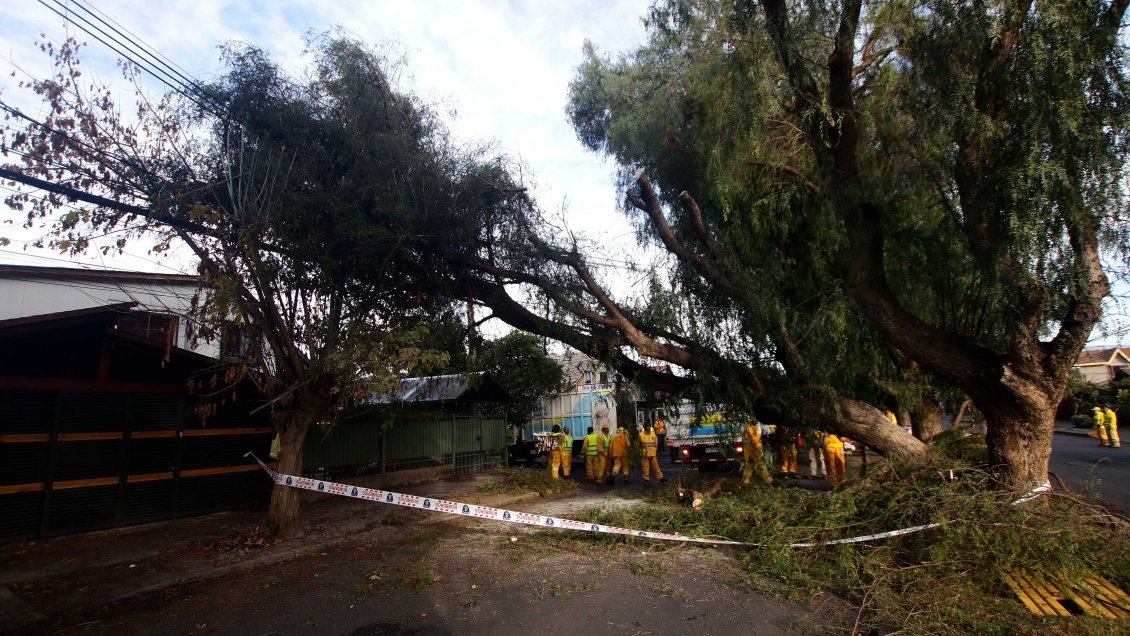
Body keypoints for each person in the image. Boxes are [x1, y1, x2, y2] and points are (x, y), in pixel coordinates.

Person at [741, 420, 772, 486]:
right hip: (755, 449)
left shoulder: (745, 428)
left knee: (749, 465)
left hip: (747, 449)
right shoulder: (755, 428)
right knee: (761, 465)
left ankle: (746, 481)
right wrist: (760, 451)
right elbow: (755, 441)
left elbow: (744, 439)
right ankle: (768, 482)